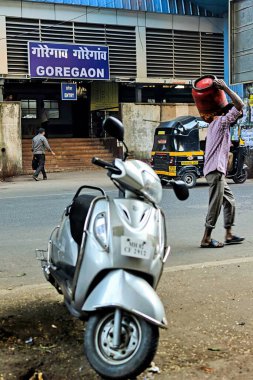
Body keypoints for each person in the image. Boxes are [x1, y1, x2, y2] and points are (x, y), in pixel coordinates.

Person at [200, 79, 245, 248]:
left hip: (217, 171)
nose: (237, 117)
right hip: (215, 171)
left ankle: (228, 234)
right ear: (227, 112)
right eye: (234, 114)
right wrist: (225, 87)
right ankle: (206, 238)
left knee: (230, 201)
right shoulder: (221, 122)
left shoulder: (217, 125)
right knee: (215, 205)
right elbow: (240, 105)